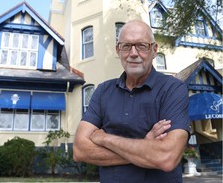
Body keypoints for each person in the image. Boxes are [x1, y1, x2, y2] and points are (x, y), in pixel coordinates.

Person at [73, 20, 190, 183]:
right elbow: (80, 150)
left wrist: (105, 139)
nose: (133, 53)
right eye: (126, 46)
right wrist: (145, 146)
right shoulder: (103, 91)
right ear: (118, 50)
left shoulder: (172, 89)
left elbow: (166, 157)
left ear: (154, 50)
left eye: (141, 45)